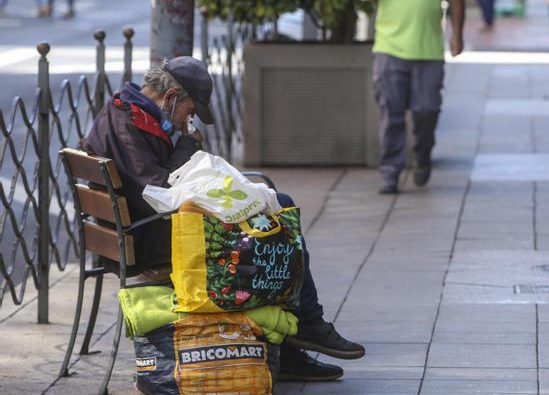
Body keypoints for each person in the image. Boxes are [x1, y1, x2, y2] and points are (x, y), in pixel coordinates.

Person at [83, 57, 365, 382]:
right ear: (171, 96)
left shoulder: (129, 112)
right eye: (189, 111)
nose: (187, 120)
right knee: (271, 226)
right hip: (152, 238)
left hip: (149, 229)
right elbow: (159, 192)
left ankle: (296, 337)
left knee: (275, 211)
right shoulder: (129, 124)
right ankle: (304, 330)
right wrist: (187, 146)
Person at [361, 0, 465, 195]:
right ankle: (390, 173)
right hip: (389, 49)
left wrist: (457, 34)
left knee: (426, 111)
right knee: (391, 114)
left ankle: (422, 155)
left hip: (428, 49)